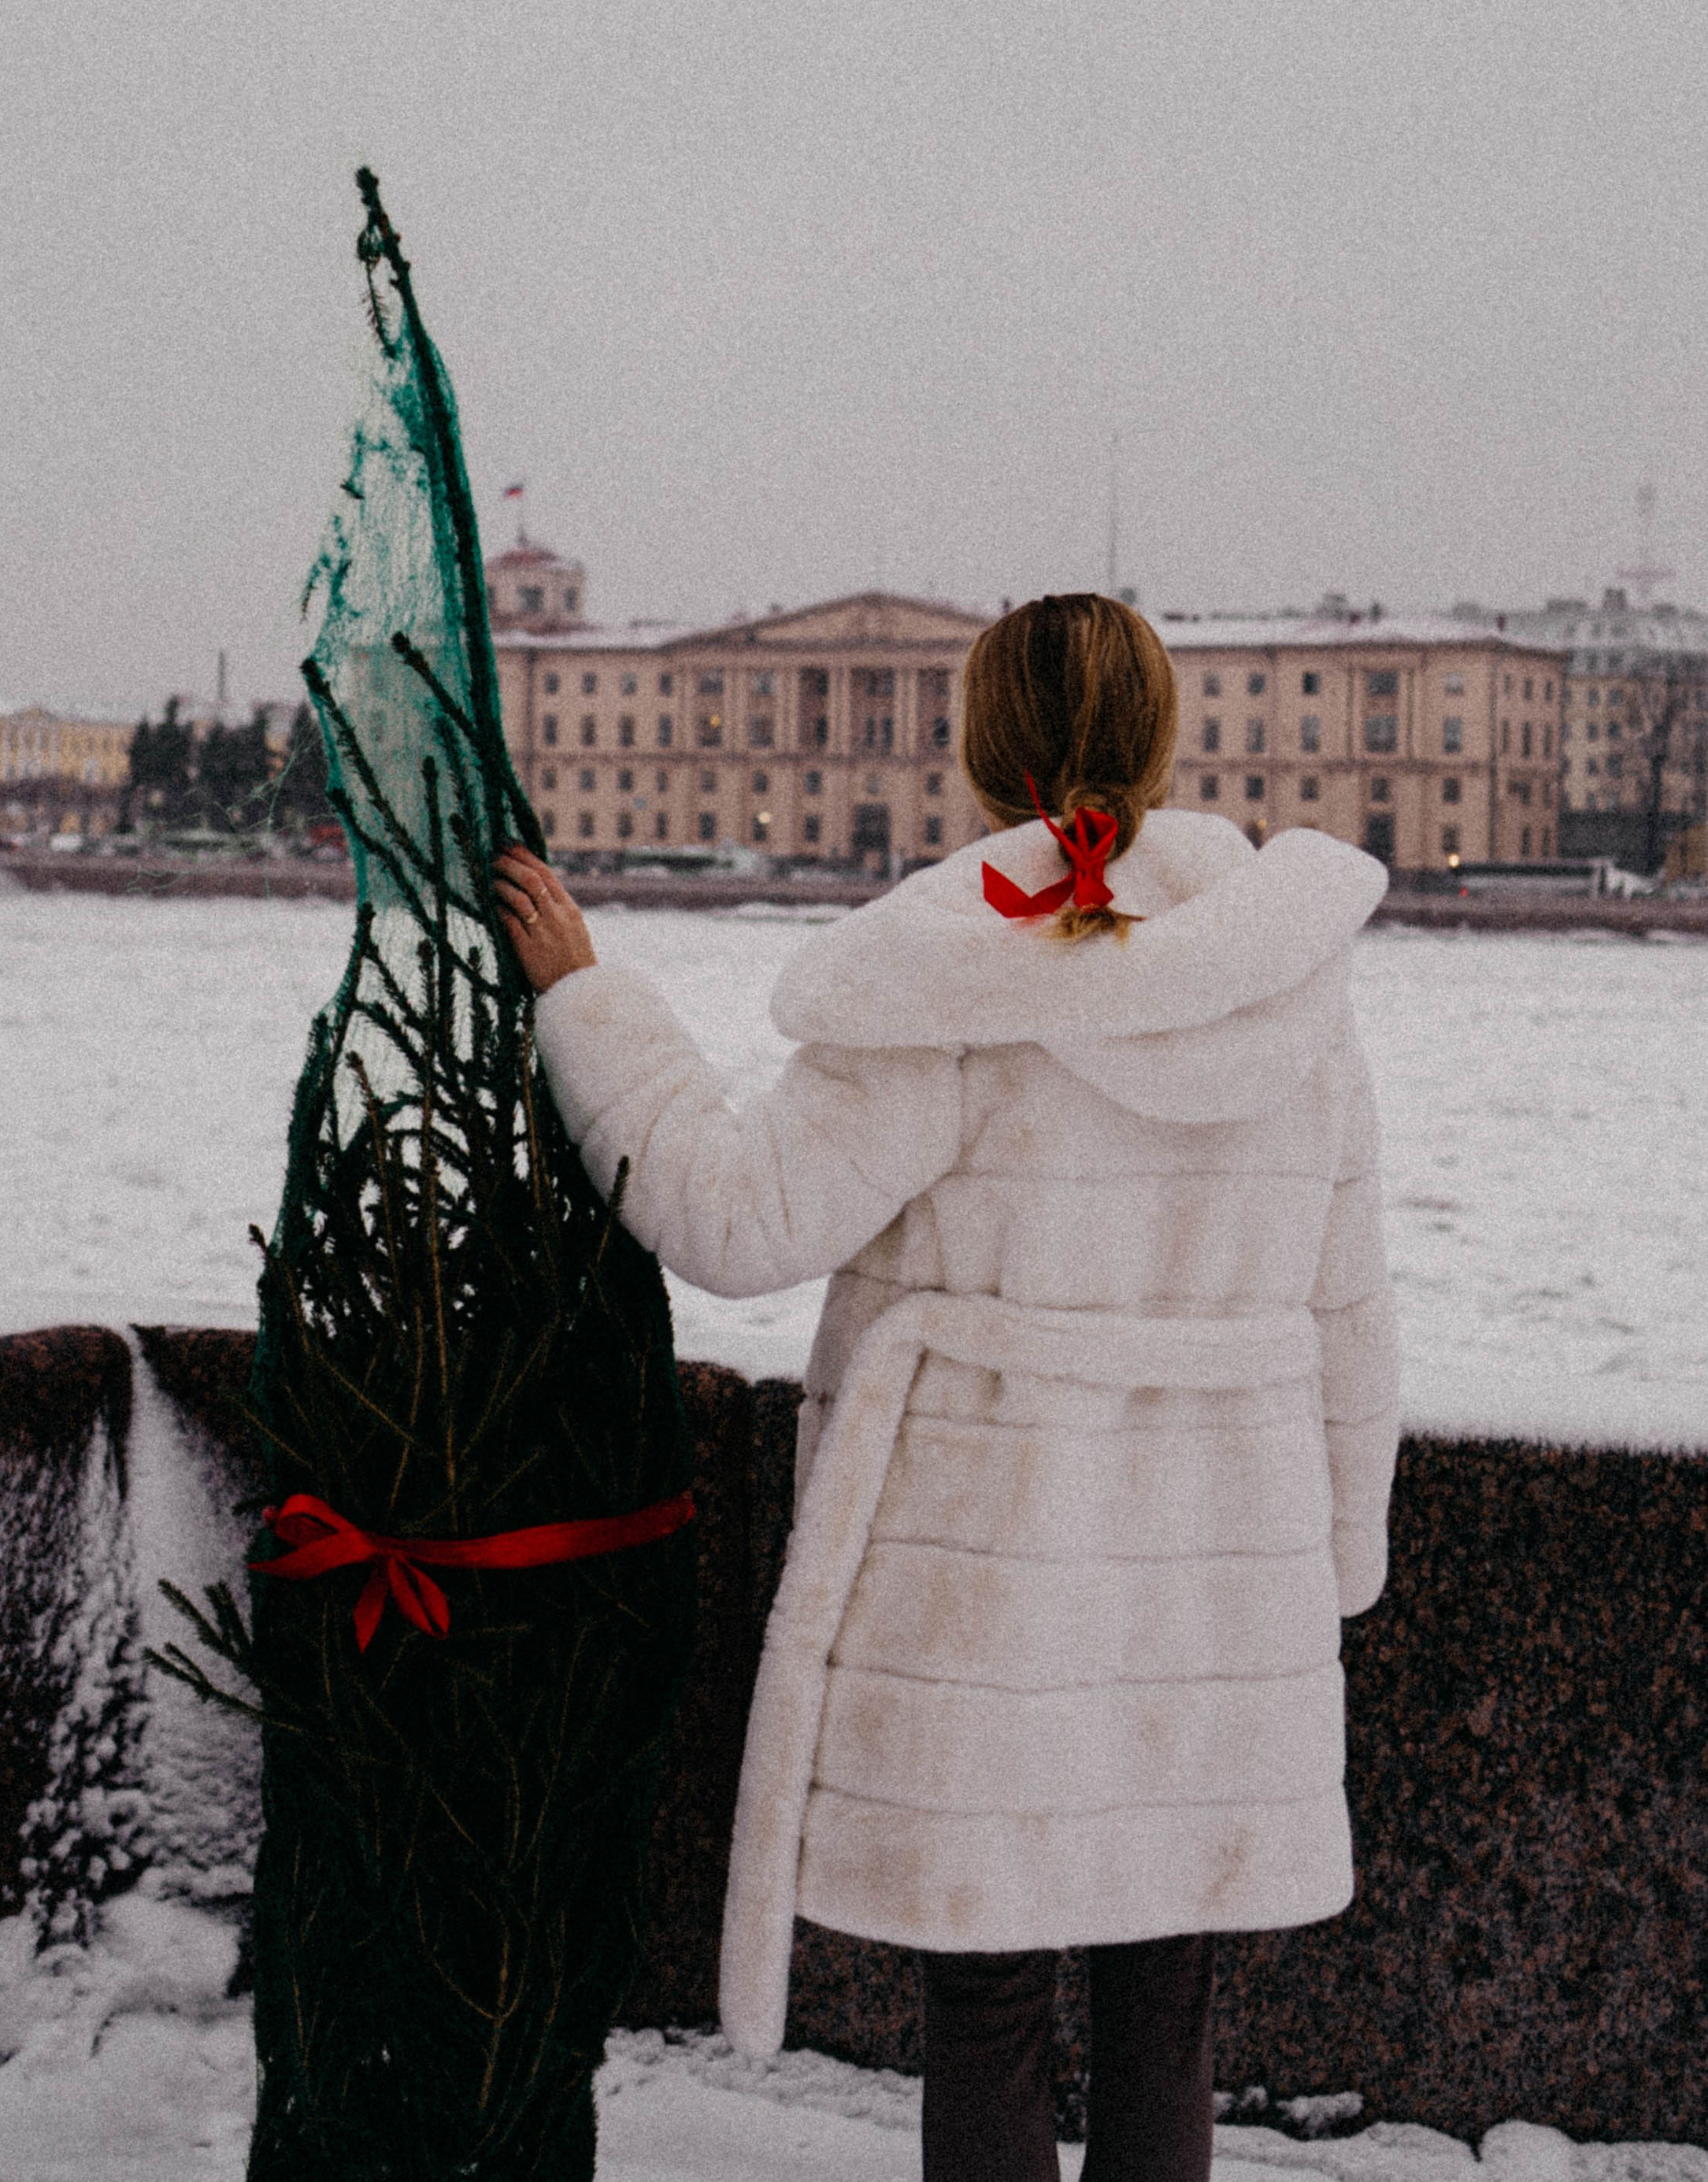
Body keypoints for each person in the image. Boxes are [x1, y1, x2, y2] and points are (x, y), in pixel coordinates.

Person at [495, 592, 1398, 2182]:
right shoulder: (1290, 991)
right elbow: (1346, 1314)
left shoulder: (952, 983)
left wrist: (586, 997)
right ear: (1165, 738)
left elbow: (734, 1215)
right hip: (1214, 1588)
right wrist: (1332, 1558)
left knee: (985, 2006)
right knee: (1164, 2003)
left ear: (972, 753)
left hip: (993, 1584)